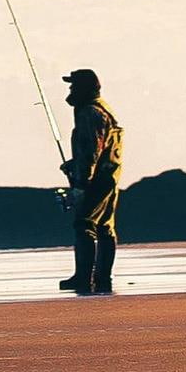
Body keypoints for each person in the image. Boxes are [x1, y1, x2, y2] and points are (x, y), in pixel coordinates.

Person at [58, 67, 123, 297]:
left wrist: (80, 184)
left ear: (84, 89)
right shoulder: (102, 109)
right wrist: (74, 164)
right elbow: (99, 149)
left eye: (73, 86)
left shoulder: (89, 113)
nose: (70, 90)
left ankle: (84, 277)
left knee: (84, 224)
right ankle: (102, 277)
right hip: (109, 177)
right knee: (104, 227)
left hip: (96, 180)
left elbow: (91, 151)